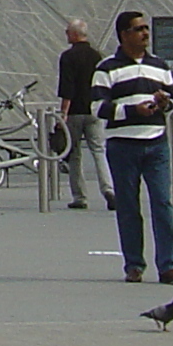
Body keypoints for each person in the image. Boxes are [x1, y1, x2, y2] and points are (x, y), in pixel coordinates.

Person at [96, 11, 173, 285]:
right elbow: (97, 107)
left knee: (163, 203)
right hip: (123, 146)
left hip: (156, 143)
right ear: (124, 35)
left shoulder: (160, 66)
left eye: (146, 28)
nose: (146, 34)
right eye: (139, 29)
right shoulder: (106, 68)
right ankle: (134, 264)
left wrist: (164, 103)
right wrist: (132, 110)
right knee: (128, 207)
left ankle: (168, 266)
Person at [56, 19, 111, 210]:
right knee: (99, 151)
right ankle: (109, 190)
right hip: (95, 110)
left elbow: (67, 87)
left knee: (74, 154)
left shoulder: (68, 57)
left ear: (74, 34)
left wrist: (63, 112)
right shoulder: (98, 56)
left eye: (67, 32)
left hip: (75, 112)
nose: (66, 34)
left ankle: (80, 196)